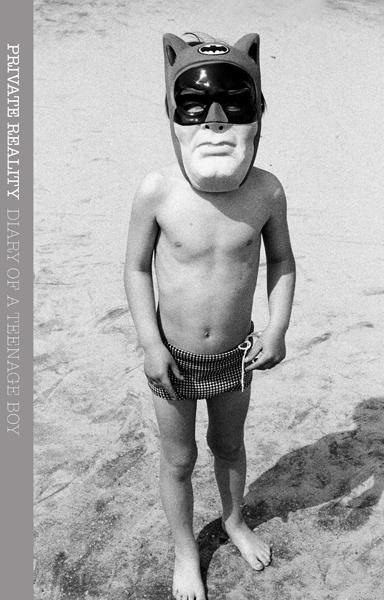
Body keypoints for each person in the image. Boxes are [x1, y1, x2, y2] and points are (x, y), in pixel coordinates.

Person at [124, 31, 296, 600]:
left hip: (235, 355)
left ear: (259, 110)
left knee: (228, 446)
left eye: (234, 105)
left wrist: (276, 327)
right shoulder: (158, 191)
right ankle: (184, 551)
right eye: (197, 107)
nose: (216, 122)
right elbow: (136, 268)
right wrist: (150, 344)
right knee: (179, 459)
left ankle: (234, 520)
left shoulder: (266, 192)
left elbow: (282, 260)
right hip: (172, 358)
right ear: (173, 112)